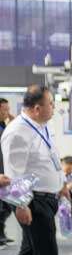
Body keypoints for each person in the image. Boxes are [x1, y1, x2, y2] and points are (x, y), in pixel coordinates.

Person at [0, 86, 72, 255]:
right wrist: (21, 206)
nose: (54, 107)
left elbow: (50, 160)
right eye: (51, 103)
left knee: (31, 252)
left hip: (47, 198)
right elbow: (14, 174)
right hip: (32, 201)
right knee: (46, 252)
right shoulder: (17, 132)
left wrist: (61, 185)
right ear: (38, 108)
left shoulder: (42, 126)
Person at [0, 98, 13, 247]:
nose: (7, 113)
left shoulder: (3, 125)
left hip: (5, 171)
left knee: (6, 205)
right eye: (5, 110)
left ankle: (1, 233)